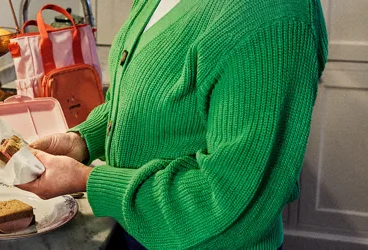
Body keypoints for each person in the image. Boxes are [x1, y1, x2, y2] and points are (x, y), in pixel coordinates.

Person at [16, 0, 328, 249]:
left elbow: (229, 198)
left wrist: (87, 180)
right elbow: (137, 100)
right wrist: (82, 140)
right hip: (134, 226)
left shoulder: (273, 14)